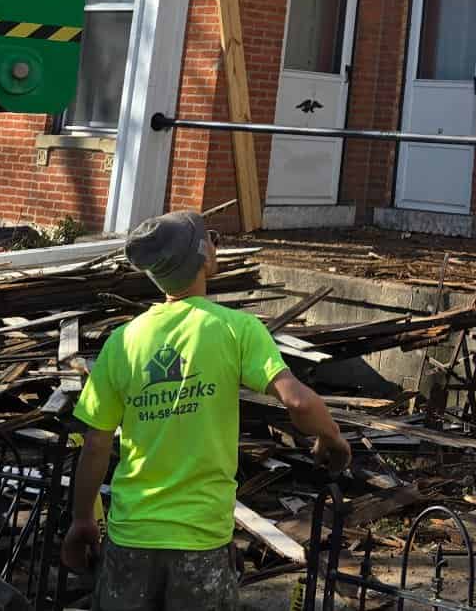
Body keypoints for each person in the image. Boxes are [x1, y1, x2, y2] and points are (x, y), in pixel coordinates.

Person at [62, 210, 352, 611]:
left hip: (130, 539)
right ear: (203, 256)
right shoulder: (236, 329)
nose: (216, 243)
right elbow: (298, 400)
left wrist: (82, 521)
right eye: (211, 238)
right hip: (199, 542)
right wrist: (331, 438)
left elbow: (95, 443)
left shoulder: (122, 342)